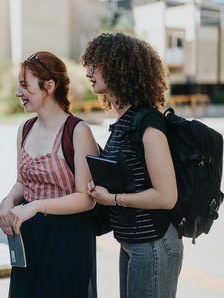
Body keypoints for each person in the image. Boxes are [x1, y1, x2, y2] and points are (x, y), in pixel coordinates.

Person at [81, 32, 183, 298]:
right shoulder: (123, 123)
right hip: (133, 241)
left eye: (96, 65)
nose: (89, 72)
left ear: (119, 68)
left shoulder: (147, 123)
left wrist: (112, 198)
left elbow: (166, 196)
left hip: (154, 244)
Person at [0, 51, 99, 298]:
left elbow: (86, 198)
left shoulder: (77, 131)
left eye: (24, 86)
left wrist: (36, 206)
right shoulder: (25, 129)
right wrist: (9, 200)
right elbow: (22, 181)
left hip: (67, 239)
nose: (18, 93)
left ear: (49, 87)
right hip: (28, 237)